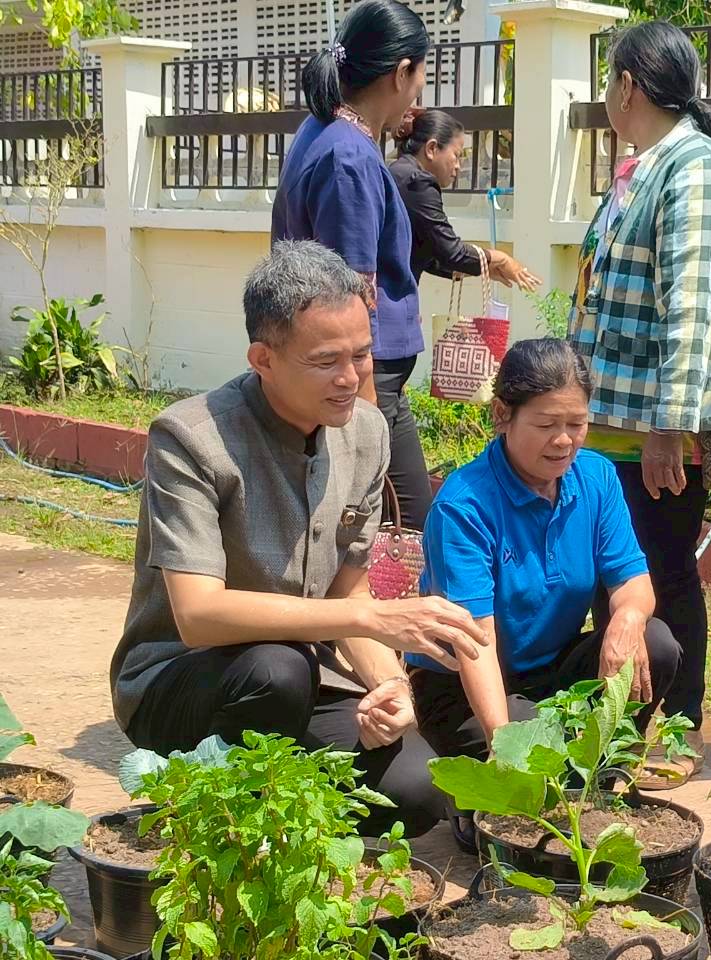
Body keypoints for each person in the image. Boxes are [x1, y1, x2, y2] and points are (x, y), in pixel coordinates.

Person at [110, 241, 487, 837]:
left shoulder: (365, 433)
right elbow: (198, 616)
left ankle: (290, 810)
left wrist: (389, 684)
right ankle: (225, 823)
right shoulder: (190, 438)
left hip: (298, 677)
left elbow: (348, 597)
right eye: (325, 361)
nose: (350, 378)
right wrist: (374, 621)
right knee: (276, 671)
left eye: (362, 355)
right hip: (183, 681)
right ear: (263, 357)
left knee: (417, 792)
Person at [567, 21, 711, 768]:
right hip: (619, 416)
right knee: (623, 573)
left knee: (660, 570)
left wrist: (668, 426)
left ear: (627, 85)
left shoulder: (693, 170)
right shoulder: (648, 166)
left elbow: (692, 308)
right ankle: (624, 723)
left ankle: (676, 729)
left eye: (607, 80)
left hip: (657, 425)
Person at [405, 339, 682, 839]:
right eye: (546, 425)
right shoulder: (464, 506)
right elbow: (475, 643)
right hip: (466, 688)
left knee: (656, 642)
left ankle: (600, 778)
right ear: (502, 415)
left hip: (551, 674)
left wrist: (627, 617)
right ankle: (488, 789)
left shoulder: (595, 478)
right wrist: (503, 742)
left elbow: (634, 581)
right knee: (516, 812)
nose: (564, 441)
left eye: (576, 424)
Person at [272, 0, 434, 531]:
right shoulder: (349, 156)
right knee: (387, 529)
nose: (419, 94)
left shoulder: (324, 133)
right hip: (362, 376)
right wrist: (360, 413)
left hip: (364, 375)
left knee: (405, 521)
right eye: (420, 77)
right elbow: (352, 298)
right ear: (400, 72)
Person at [389, 109, 540, 291]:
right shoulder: (418, 182)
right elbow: (451, 252)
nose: (459, 166)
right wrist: (500, 258)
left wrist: (482, 266)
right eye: (457, 155)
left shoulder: (399, 173)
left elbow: (431, 256)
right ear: (431, 149)